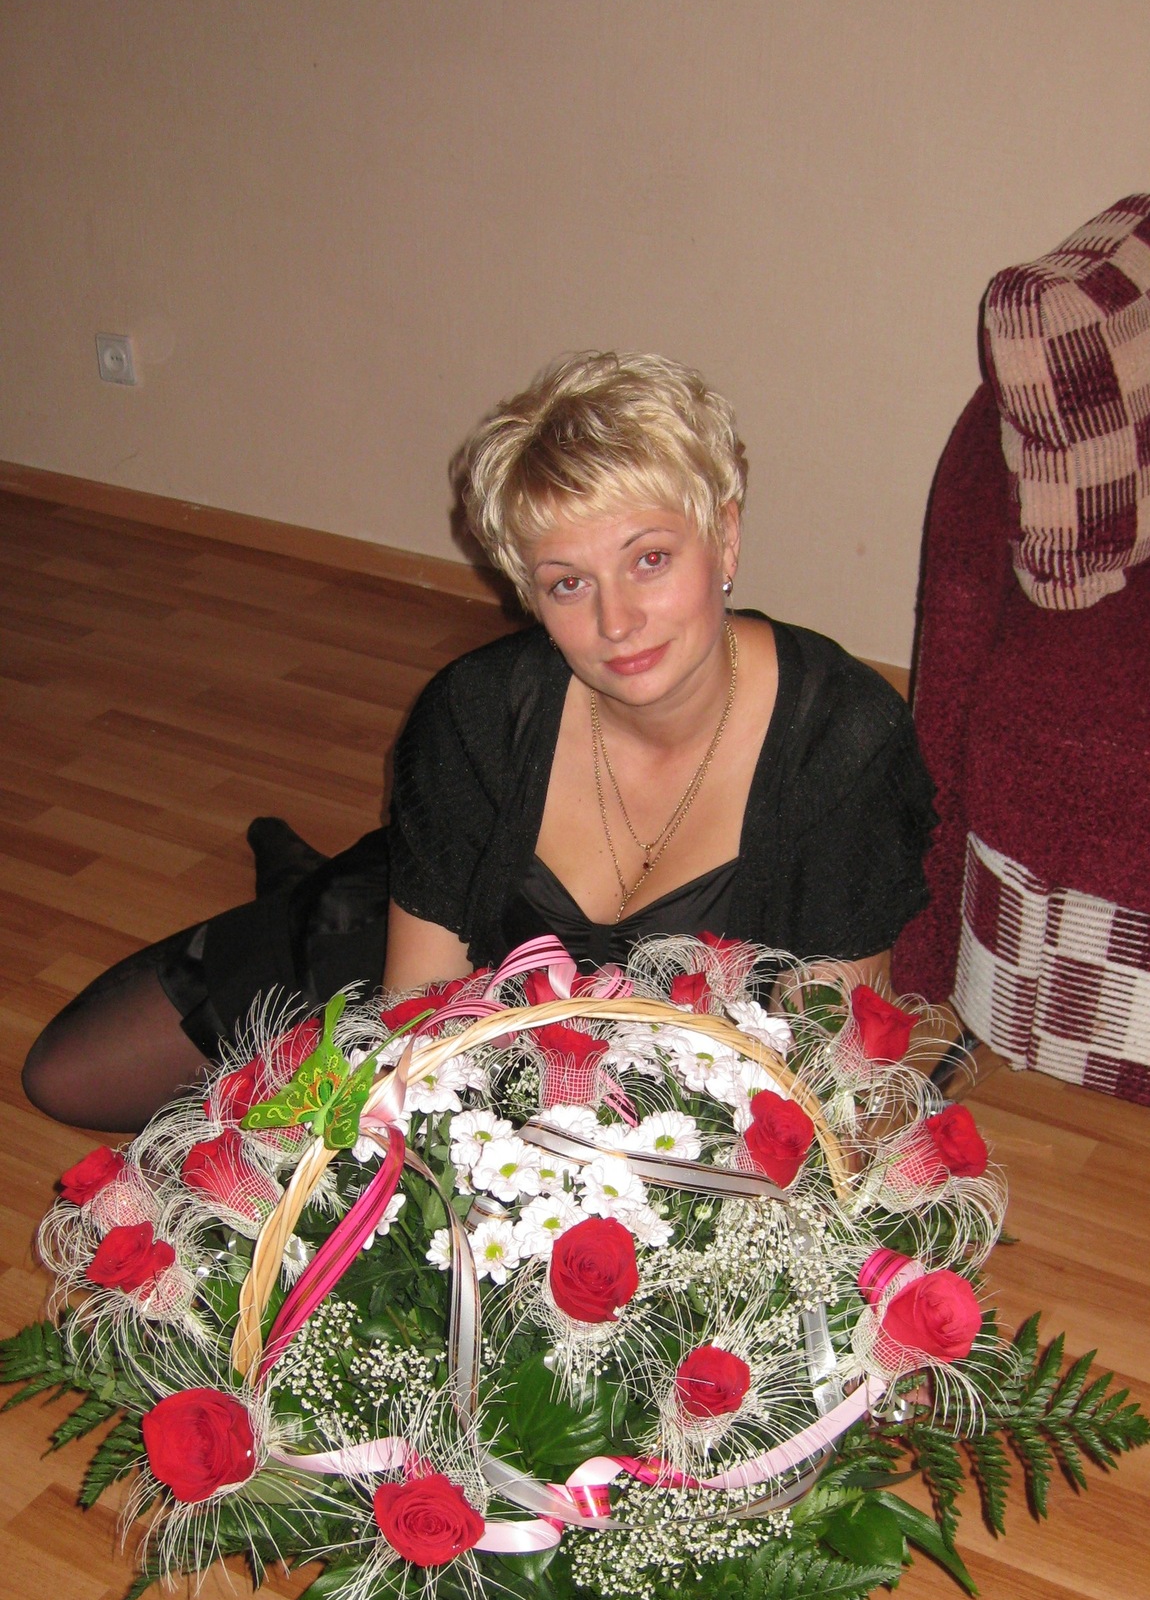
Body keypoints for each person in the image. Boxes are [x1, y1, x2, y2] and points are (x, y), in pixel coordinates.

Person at [22, 352, 935, 1131]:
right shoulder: (477, 712)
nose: (617, 620)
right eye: (568, 582)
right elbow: (419, 1021)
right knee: (66, 1077)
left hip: (684, 1083)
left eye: (650, 559)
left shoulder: (843, 741)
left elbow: (830, 1085)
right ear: (527, 591)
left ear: (725, 539)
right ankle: (314, 889)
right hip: (458, 960)